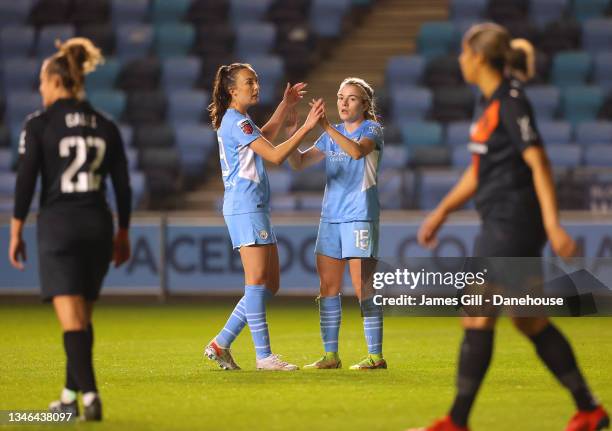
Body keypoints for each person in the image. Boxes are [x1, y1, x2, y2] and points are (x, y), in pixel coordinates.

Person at [408, 23, 609, 431]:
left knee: (477, 313)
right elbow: (479, 171)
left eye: (464, 53)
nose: (460, 61)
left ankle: (457, 421)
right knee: (528, 318)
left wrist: (554, 225)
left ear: (479, 56)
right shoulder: (491, 104)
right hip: (503, 221)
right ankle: (589, 409)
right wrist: (442, 211)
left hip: (511, 222)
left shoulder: (512, 102)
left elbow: (539, 162)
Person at [8, 37, 132, 421]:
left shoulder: (39, 124)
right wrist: (122, 231)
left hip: (59, 227)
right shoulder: (105, 124)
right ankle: (67, 397)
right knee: (82, 318)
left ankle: (91, 398)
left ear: (58, 81)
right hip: (97, 225)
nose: (40, 89)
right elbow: (122, 184)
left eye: (43, 81)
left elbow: (26, 181)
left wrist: (15, 230)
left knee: (72, 321)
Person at [204, 63, 324, 371]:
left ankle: (221, 343)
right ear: (233, 90)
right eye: (249, 82)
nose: (255, 86)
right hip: (245, 205)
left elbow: (265, 137)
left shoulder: (240, 121)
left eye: (256, 80)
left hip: (254, 205)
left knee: (270, 283)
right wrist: (305, 128)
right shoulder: (236, 122)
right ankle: (264, 356)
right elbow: (274, 154)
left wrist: (286, 105)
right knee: (256, 281)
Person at [286, 77, 386, 370]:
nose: (343, 102)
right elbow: (300, 163)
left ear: (365, 104)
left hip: (359, 215)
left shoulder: (372, 129)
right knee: (327, 286)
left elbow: (357, 152)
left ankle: (376, 356)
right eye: (341, 97)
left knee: (362, 287)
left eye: (351, 98)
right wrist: (294, 136)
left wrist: (326, 126)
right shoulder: (332, 134)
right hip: (330, 217)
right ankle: (331, 355)